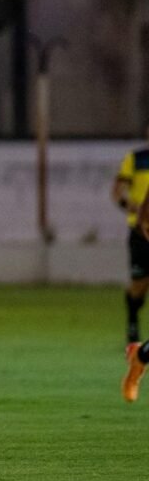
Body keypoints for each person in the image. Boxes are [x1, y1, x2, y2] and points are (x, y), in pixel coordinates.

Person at [111, 125, 149, 347]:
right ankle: (133, 320)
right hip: (141, 231)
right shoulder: (136, 159)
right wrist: (130, 206)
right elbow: (118, 191)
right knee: (139, 285)